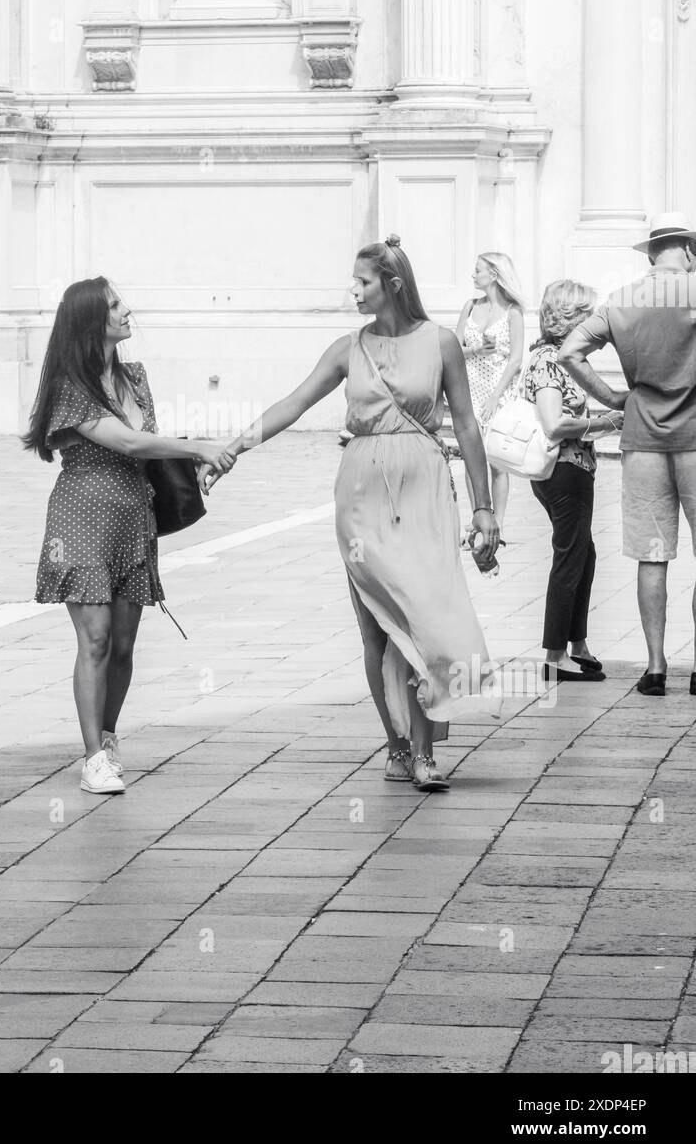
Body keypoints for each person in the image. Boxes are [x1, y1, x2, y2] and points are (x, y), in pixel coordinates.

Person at [202, 237, 501, 793]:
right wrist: (233, 449)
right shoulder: (348, 348)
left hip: (426, 489)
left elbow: (465, 424)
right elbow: (293, 403)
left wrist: (484, 508)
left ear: (392, 284)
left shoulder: (441, 343)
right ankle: (399, 745)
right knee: (377, 626)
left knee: (426, 615)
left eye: (361, 282)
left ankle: (426, 750)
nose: (353, 291)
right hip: (363, 493)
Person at [23, 277, 234, 795]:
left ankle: (108, 739)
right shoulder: (72, 385)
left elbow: (145, 446)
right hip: (82, 518)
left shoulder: (135, 377)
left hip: (132, 518)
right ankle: (92, 756)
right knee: (94, 640)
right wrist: (198, 448)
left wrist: (191, 461)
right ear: (92, 319)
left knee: (122, 645)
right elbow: (129, 442)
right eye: (115, 304)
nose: (126, 310)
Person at [559, 212, 696, 697]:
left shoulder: (621, 300)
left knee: (652, 556)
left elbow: (569, 353)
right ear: (687, 248)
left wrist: (615, 397)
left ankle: (656, 667)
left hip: (642, 437)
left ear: (652, 252)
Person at [525, 281, 624, 685]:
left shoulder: (557, 358)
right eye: (590, 315)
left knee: (585, 553)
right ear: (572, 318)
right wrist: (606, 422)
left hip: (572, 469)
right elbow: (555, 423)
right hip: (564, 471)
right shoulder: (550, 360)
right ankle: (554, 653)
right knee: (570, 557)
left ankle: (577, 644)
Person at [455, 252, 525, 537]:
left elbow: (516, 359)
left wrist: (496, 396)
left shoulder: (513, 313)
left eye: (478, 271)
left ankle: (500, 520)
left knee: (497, 460)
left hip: (499, 393)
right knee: (472, 458)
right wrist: (475, 350)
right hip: (469, 390)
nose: (473, 275)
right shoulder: (470, 306)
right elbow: (453, 347)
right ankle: (477, 517)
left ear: (494, 275)